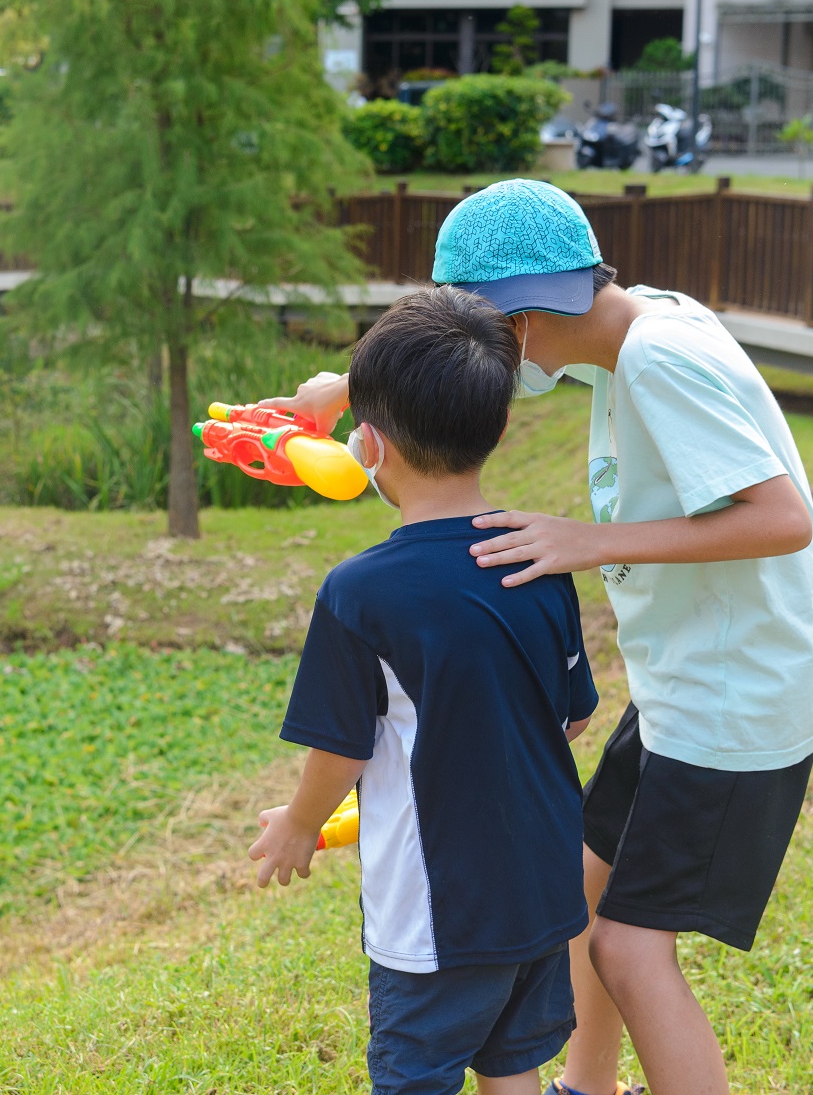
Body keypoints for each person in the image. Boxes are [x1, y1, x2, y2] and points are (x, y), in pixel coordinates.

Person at [263, 179, 813, 1095]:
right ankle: (583, 1083)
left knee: (626, 945)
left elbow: (781, 519)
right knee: (580, 889)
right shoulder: (632, 323)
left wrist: (588, 540)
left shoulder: (657, 359)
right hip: (684, 682)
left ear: (521, 323)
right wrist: (350, 387)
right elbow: (448, 373)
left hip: (733, 698)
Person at [249, 287, 600, 1095]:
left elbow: (342, 745)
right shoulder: (539, 556)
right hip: (542, 888)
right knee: (515, 1062)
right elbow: (572, 714)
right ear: (501, 427)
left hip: (441, 912)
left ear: (365, 447)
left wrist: (301, 824)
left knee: (415, 1075)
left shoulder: (361, 591)